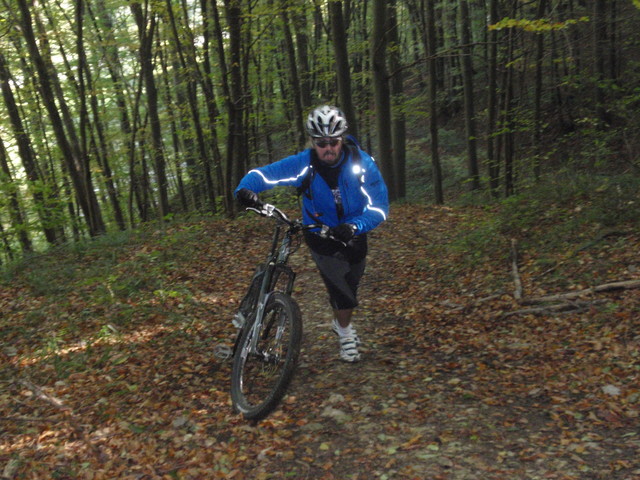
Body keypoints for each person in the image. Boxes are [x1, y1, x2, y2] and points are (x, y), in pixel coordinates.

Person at [234, 105, 389, 362]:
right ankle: (346, 333)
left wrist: (355, 226)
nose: (328, 148)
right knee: (340, 290)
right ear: (313, 142)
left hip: (354, 232)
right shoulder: (304, 164)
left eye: (333, 142)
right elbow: (263, 174)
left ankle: (340, 322)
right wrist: (245, 189)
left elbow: (380, 207)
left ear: (341, 140)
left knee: (351, 287)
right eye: (321, 143)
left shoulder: (362, 164)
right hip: (320, 235)